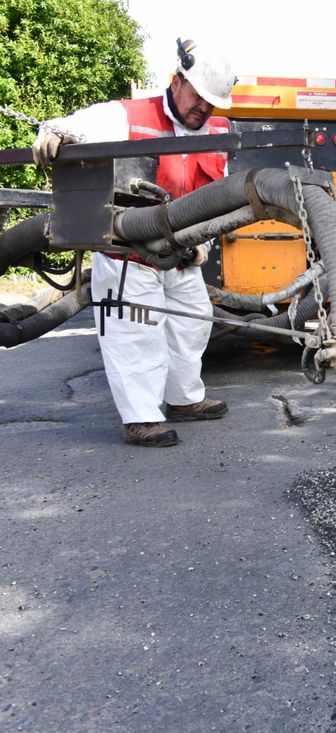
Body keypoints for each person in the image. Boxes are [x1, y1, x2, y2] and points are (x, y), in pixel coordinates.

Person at [32, 38, 237, 447]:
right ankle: (141, 418)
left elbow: (218, 196)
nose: (204, 109)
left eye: (212, 103)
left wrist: (204, 243)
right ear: (177, 80)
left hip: (183, 253)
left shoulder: (219, 130)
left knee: (192, 326)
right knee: (135, 333)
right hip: (130, 253)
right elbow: (70, 125)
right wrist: (52, 131)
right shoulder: (128, 115)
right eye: (198, 97)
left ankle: (183, 399)